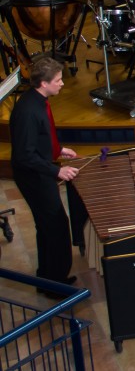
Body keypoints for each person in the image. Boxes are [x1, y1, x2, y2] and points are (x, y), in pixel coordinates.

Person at [10, 57, 80, 293]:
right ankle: (53, 285)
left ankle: (50, 277)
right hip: (34, 177)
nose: (62, 84)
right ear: (43, 83)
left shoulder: (39, 100)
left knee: (51, 225)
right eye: (58, 80)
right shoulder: (28, 111)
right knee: (54, 226)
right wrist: (56, 169)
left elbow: (40, 137)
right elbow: (24, 155)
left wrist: (57, 150)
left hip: (40, 170)